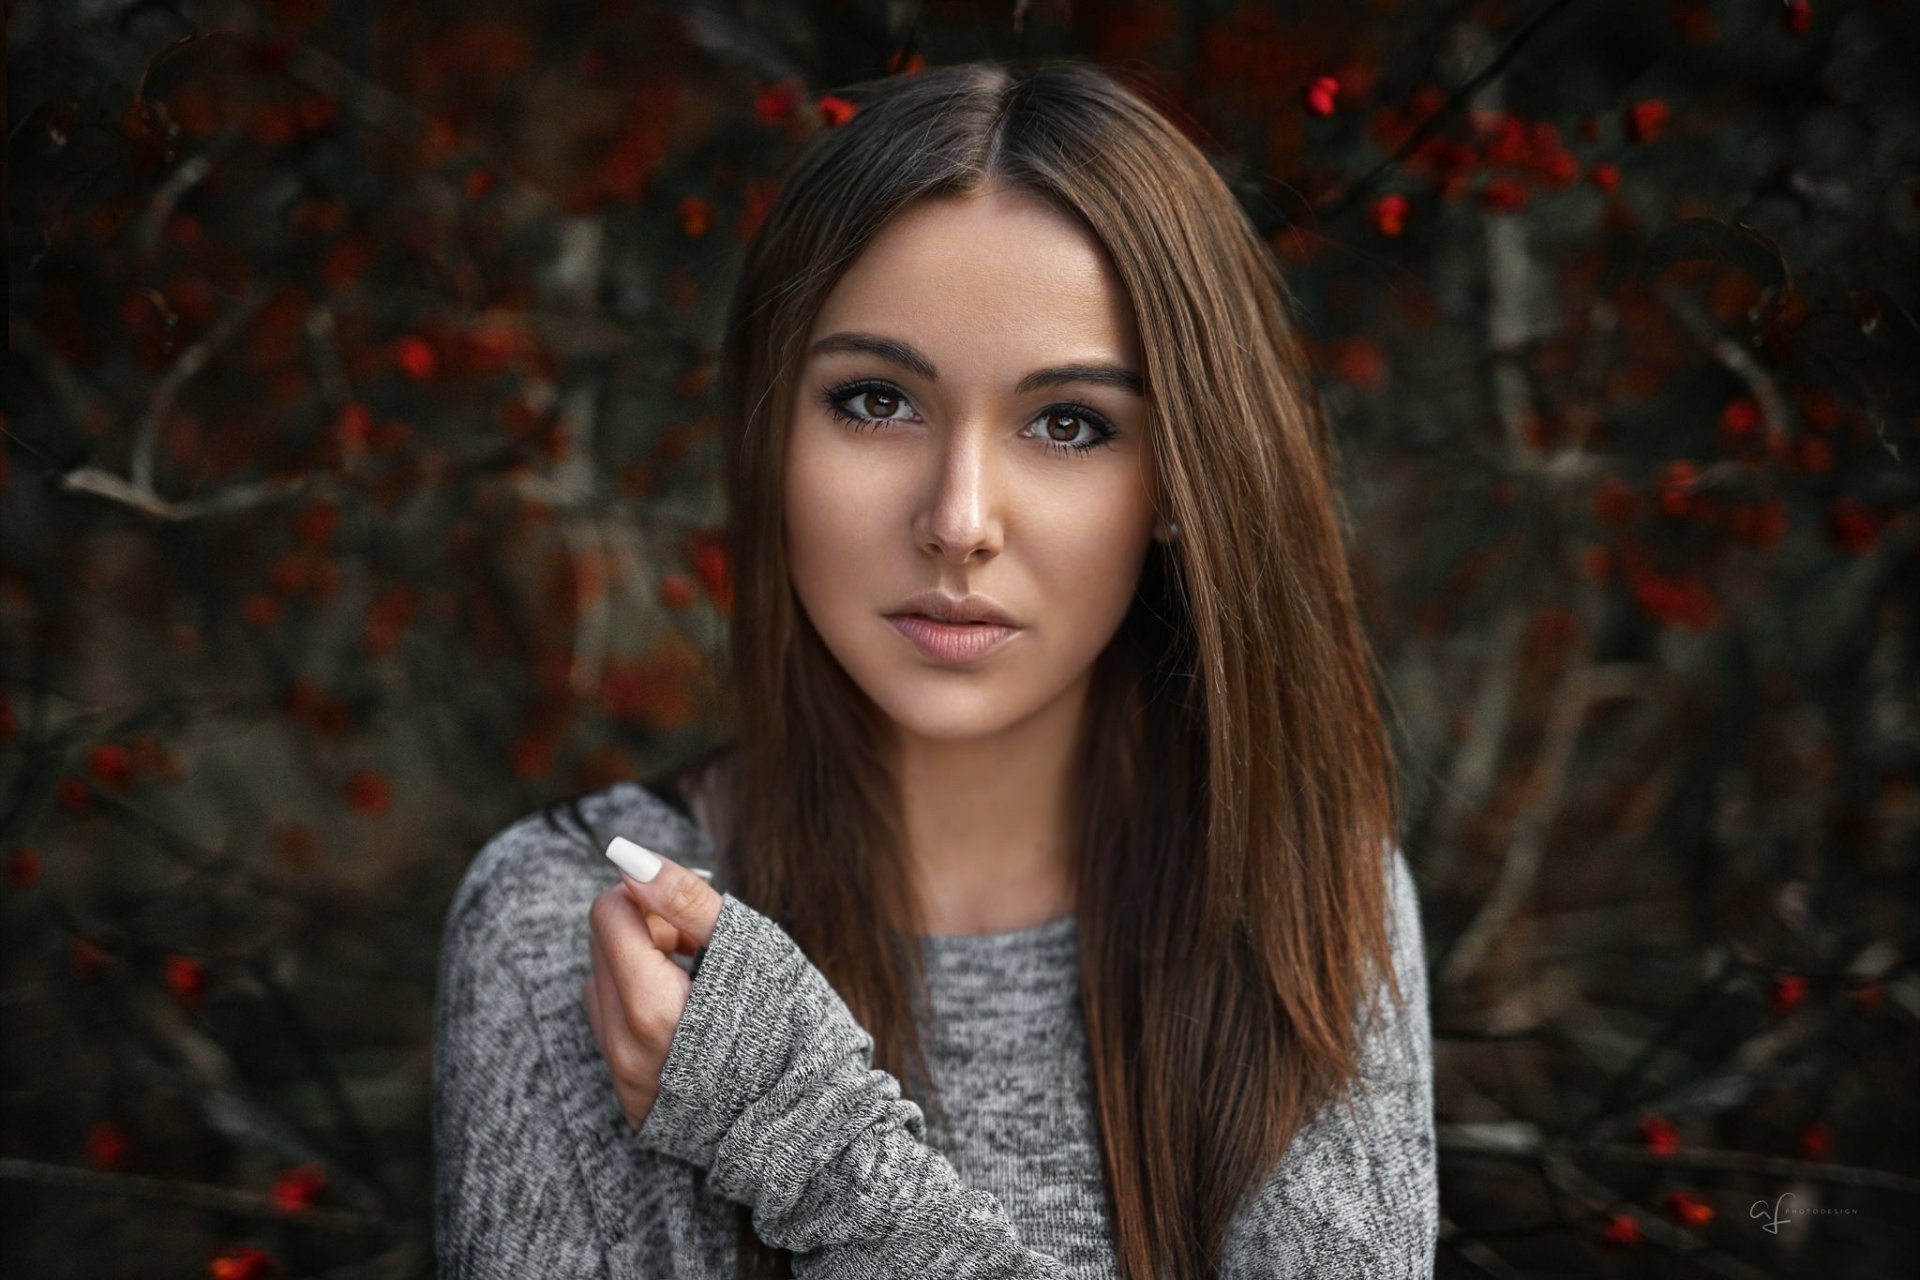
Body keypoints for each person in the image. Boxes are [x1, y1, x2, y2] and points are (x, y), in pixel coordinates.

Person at [433, 57, 1437, 1280]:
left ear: (1181, 479)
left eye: (1068, 422)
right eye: (875, 400)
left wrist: (808, 1143)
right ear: (770, 432)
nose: (959, 520)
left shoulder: (1306, 907)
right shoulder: (572, 935)